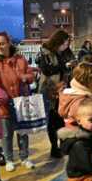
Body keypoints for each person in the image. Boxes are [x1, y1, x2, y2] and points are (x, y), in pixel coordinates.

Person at [0, 32, 36, 171]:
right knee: (6, 134)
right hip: (4, 103)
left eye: (1, 43)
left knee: (23, 131)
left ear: (8, 43)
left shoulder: (20, 59)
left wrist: (24, 77)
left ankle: (24, 158)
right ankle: (9, 159)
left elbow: (31, 75)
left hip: (21, 101)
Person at [37, 30, 69, 158]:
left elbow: (62, 69)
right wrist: (63, 67)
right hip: (49, 90)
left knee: (60, 119)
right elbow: (47, 70)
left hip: (60, 90)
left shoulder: (60, 53)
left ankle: (61, 145)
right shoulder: (45, 53)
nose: (67, 45)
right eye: (66, 43)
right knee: (52, 121)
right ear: (59, 41)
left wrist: (66, 67)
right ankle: (54, 147)